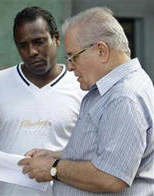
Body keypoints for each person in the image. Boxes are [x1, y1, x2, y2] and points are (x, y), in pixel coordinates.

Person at [18, 7, 154, 195]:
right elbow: (106, 152)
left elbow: (111, 178)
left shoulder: (124, 98)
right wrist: (58, 156)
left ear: (101, 51)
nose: (70, 67)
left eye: (74, 56)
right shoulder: (112, 90)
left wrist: (53, 167)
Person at [0, 6, 84, 196]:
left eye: (39, 41)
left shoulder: (80, 85)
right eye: (23, 45)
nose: (32, 51)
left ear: (56, 39)